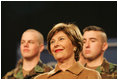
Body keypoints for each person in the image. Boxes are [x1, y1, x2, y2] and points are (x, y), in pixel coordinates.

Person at [34, 23, 101, 79]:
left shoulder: (92, 76)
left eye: (61, 39)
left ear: (75, 45)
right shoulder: (40, 78)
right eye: (52, 42)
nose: (56, 44)